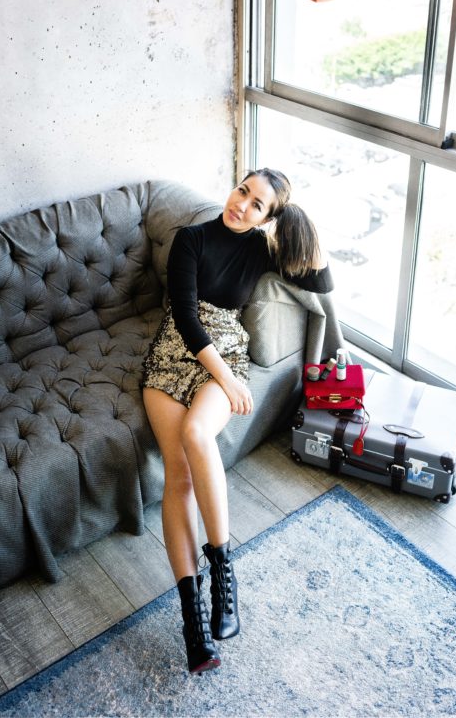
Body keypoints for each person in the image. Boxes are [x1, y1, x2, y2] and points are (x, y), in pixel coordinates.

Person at [141, 168, 334, 675]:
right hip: (176, 352)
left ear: (268, 218)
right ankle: (194, 624)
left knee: (196, 432)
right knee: (178, 478)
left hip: (226, 348)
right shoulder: (192, 238)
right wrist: (227, 381)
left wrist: (298, 222)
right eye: (242, 191)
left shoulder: (264, 250)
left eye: (257, 205)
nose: (241, 205)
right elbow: (185, 317)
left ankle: (223, 573)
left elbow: (322, 281)